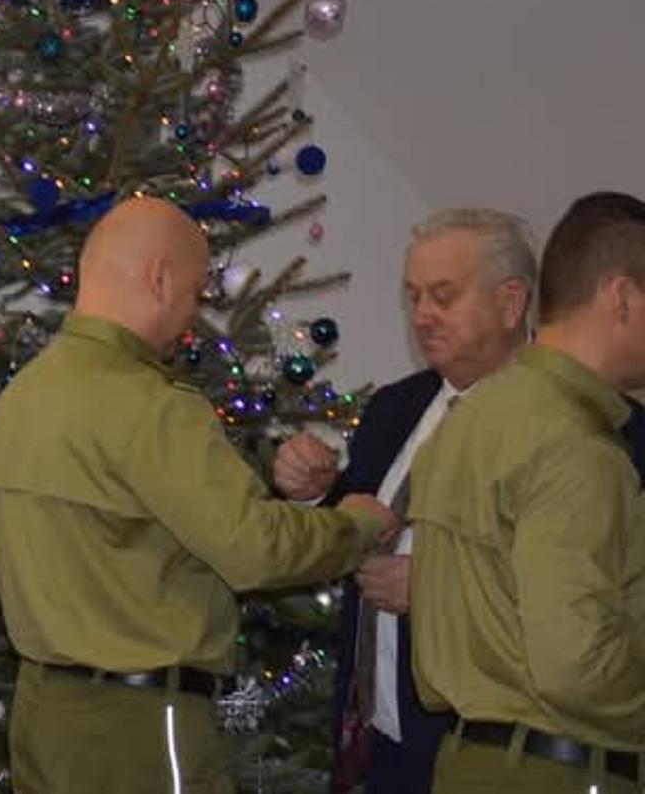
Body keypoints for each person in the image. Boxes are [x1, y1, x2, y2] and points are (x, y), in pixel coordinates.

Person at [0, 197, 395, 794]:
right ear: (159, 278)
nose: (194, 316)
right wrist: (357, 524)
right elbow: (254, 549)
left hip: (44, 714)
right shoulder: (150, 405)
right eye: (196, 293)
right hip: (141, 726)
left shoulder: (26, 395)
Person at [274, 209, 645, 794]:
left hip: (504, 738)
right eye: (414, 296)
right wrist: (324, 493)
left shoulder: (613, 434)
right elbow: (375, 524)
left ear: (512, 302)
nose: (423, 314)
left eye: (443, 295)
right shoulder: (398, 409)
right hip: (396, 739)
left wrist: (436, 587)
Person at [408, 192, 645, 793]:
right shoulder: (576, 446)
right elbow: (575, 666)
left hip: (468, 762)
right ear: (622, 297)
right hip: (562, 769)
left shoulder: (469, 417)